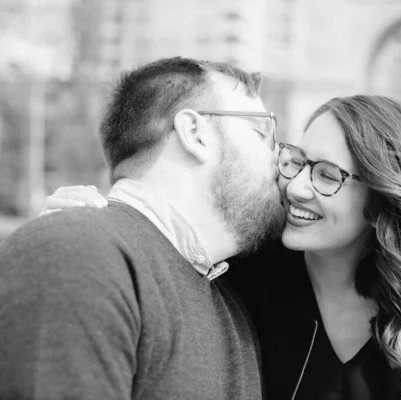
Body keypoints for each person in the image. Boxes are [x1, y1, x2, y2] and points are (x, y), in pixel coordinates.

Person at [40, 95, 401, 400]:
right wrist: (93, 222)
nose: (297, 187)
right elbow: (162, 247)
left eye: (327, 175)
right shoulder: (246, 269)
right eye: (297, 162)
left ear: (383, 195)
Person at [0, 57, 285, 399]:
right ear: (196, 134)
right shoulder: (77, 254)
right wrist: (64, 244)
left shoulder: (229, 300)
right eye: (261, 132)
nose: (278, 155)